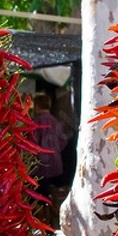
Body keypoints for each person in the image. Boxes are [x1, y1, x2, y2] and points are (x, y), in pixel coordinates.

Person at [32, 93, 68, 226]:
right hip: (56, 164)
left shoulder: (35, 122)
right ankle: (53, 221)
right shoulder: (55, 121)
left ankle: (45, 223)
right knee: (52, 194)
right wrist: (55, 151)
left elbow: (31, 143)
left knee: (41, 197)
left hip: (40, 165)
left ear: (36, 106)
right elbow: (63, 140)